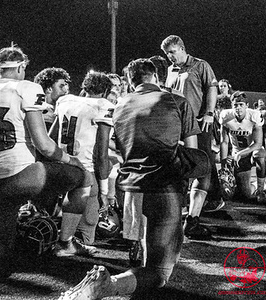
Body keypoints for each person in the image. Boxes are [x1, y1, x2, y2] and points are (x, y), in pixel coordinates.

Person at [59, 58, 201, 300]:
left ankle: (119, 283)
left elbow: (102, 151)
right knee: (159, 272)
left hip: (131, 188)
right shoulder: (175, 100)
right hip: (164, 188)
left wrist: (105, 189)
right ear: (155, 76)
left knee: (146, 256)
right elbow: (193, 155)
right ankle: (105, 285)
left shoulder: (118, 104)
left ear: (129, 81)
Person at [0, 45, 94, 276]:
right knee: (82, 177)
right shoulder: (27, 88)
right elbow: (45, 146)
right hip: (20, 173)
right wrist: (72, 160)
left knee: (1, 248)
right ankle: (65, 242)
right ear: (21, 66)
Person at [161, 35, 221, 239]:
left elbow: (212, 88)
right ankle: (175, 216)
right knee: (177, 169)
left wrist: (210, 113)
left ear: (182, 48)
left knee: (202, 168)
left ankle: (193, 219)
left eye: (172, 52)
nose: (170, 57)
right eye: (167, 53)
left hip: (197, 124)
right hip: (175, 126)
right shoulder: (170, 70)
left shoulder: (201, 65)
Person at [51, 70, 115, 245]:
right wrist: (105, 191)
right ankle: (75, 243)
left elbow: (51, 136)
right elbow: (101, 154)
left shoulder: (65, 100)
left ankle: (65, 235)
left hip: (60, 165)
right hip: (84, 171)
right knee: (91, 220)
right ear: (105, 91)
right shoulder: (103, 105)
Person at [220, 91, 266, 203]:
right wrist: (224, 165)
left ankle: (260, 191)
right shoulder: (226, 116)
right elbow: (224, 142)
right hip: (239, 156)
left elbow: (258, 143)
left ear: (247, 105)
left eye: (241, 104)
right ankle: (257, 185)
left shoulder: (254, 116)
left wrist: (239, 154)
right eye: (235, 105)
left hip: (250, 153)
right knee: (245, 194)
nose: (238, 108)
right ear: (232, 106)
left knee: (260, 154)